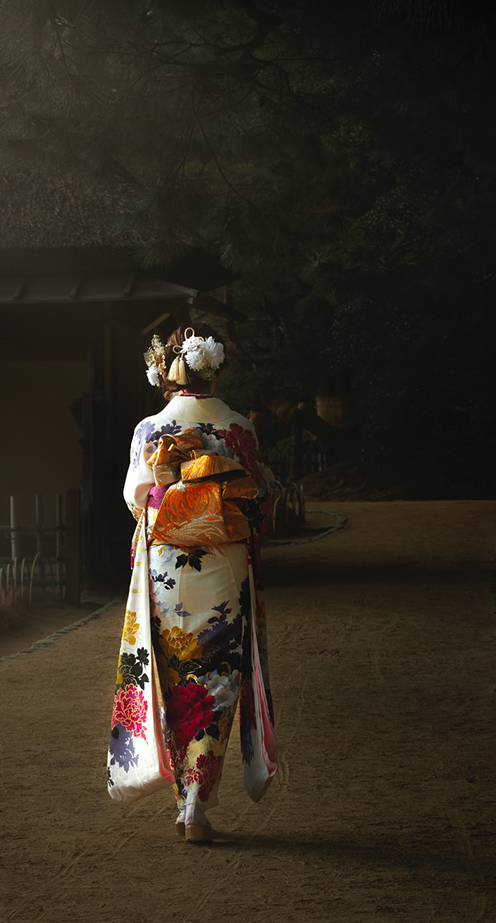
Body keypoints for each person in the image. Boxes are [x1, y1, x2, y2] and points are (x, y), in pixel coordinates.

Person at [105, 325, 280, 844]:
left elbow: (137, 500)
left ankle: (178, 784)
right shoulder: (237, 427)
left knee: (173, 676)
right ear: (217, 371)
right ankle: (193, 804)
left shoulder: (148, 429)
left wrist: (173, 498)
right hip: (223, 567)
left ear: (166, 373)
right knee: (218, 680)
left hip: (165, 567)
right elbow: (260, 499)